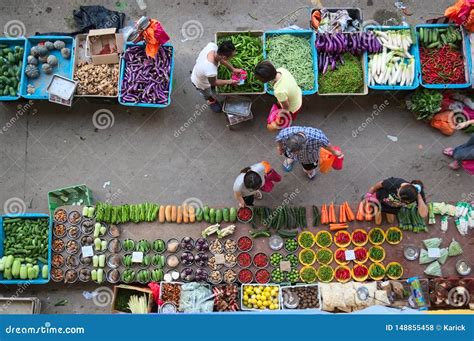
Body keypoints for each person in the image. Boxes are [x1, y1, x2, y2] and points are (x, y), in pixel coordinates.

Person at [191, 41, 240, 112]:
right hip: (200, 82)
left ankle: (210, 94)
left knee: (211, 83)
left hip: (200, 70)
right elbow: (214, 82)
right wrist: (231, 81)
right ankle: (211, 101)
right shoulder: (211, 70)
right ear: (224, 57)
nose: (231, 58)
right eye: (231, 57)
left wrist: (233, 69)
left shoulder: (213, 46)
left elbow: (221, 60)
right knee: (207, 93)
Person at [275, 126, 341, 179]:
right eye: (292, 150)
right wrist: (280, 148)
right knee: (289, 154)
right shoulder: (287, 132)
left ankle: (309, 171)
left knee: (308, 168)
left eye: (295, 152)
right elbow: (279, 138)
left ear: (303, 145)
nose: (294, 153)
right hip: (292, 152)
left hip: (309, 158)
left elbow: (327, 144)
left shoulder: (317, 138)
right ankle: (291, 159)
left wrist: (334, 152)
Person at [254, 61, 302, 131]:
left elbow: (286, 107)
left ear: (265, 80)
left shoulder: (279, 91)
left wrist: (279, 118)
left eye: (259, 78)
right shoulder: (281, 70)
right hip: (297, 94)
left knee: (285, 119)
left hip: (293, 106)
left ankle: (285, 126)